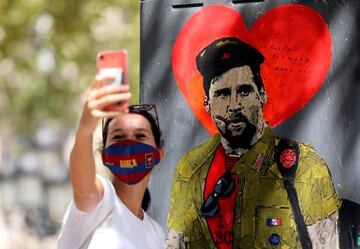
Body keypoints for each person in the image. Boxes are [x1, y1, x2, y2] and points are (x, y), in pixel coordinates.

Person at [165, 37, 341, 249]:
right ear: (207, 104)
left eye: (244, 90)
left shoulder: (304, 167)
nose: (235, 105)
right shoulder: (191, 169)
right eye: (222, 94)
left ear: (262, 94)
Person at [57, 74, 165, 249]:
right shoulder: (102, 202)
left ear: (158, 153)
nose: (129, 145)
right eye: (119, 137)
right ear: (104, 156)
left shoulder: (156, 233)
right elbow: (85, 192)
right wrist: (85, 130)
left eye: (140, 136)